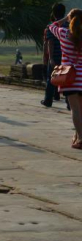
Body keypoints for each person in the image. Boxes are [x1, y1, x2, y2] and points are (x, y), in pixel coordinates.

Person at [47, 9, 82, 149]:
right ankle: (76, 136)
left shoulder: (64, 34)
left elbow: (51, 26)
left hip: (70, 78)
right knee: (81, 109)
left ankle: (80, 138)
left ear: (70, 19)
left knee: (75, 109)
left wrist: (64, 19)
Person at [42, 3, 66, 107]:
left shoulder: (52, 26)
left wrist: (50, 57)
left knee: (51, 78)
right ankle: (69, 103)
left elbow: (50, 42)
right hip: (65, 56)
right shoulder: (69, 25)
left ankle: (48, 100)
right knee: (66, 79)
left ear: (54, 13)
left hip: (55, 55)